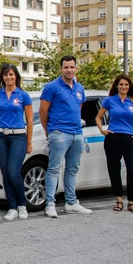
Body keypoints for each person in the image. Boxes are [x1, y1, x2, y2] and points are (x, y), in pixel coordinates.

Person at [39, 55, 92, 218]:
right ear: (61, 68)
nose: (69, 70)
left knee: (72, 169)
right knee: (54, 168)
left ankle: (71, 202)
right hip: (59, 132)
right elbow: (43, 111)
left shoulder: (79, 88)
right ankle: (50, 203)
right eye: (66, 67)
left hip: (77, 133)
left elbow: (79, 108)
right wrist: (49, 131)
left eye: (72, 67)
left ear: (76, 68)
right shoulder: (52, 87)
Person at [95, 74, 133, 214]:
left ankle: (132, 201)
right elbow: (98, 117)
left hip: (129, 138)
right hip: (113, 138)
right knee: (114, 169)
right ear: (117, 85)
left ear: (130, 87)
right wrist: (102, 130)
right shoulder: (110, 100)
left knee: (132, 171)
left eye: (126, 85)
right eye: (121, 84)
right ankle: (118, 199)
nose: (124, 87)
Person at [0, 65, 33, 221]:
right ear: (2, 77)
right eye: (6, 75)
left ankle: (22, 204)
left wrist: (29, 142)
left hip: (18, 137)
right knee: (5, 174)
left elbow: (29, 120)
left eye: (11, 75)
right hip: (0, 136)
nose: (8, 77)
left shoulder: (23, 95)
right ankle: (12, 207)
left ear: (16, 77)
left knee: (14, 173)